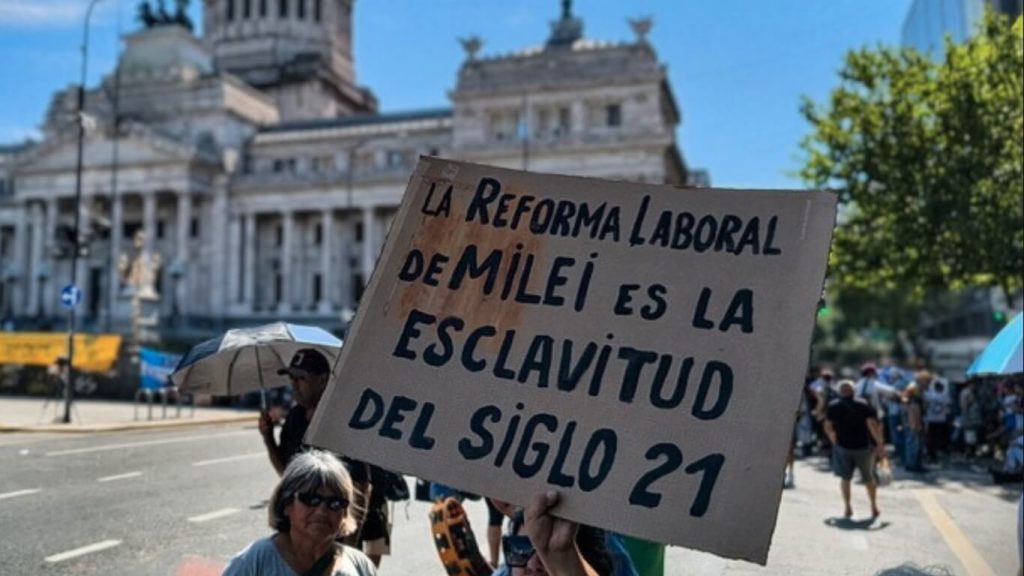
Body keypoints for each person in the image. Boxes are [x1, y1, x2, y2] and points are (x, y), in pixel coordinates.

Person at [258, 348, 390, 567]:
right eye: (292, 378)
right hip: (320, 521)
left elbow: (362, 486)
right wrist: (268, 438)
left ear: (322, 380)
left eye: (301, 378)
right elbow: (288, 474)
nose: (294, 385)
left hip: (364, 518)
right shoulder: (296, 418)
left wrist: (348, 547)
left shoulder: (342, 417)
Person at [223, 450, 377, 575]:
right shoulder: (255, 562)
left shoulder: (359, 566)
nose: (322, 510)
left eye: (335, 503)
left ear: (344, 513)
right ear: (286, 504)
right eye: (311, 499)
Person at [825, 379, 886, 519]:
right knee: (869, 478)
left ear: (840, 391)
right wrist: (880, 444)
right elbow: (872, 425)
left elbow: (828, 426)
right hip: (863, 447)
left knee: (845, 478)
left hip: (843, 447)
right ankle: (873, 506)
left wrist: (835, 442)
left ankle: (847, 507)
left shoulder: (833, 406)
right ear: (854, 390)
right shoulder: (863, 404)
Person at [923, 374, 951, 463]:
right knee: (937, 437)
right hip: (941, 419)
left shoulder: (929, 395)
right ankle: (935, 453)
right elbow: (948, 406)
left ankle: (930, 453)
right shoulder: (945, 396)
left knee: (930, 437)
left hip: (931, 418)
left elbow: (925, 403)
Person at [902, 383, 927, 473]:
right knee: (914, 446)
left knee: (911, 445)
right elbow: (913, 415)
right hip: (914, 427)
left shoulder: (907, 401)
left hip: (910, 426)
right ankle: (913, 465)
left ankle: (911, 464)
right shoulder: (914, 402)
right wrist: (916, 426)